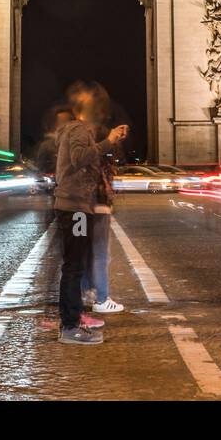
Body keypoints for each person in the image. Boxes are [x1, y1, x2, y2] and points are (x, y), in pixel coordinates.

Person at [53, 81, 127, 345]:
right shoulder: (78, 128)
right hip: (75, 210)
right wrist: (107, 141)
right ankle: (70, 326)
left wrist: (109, 142)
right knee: (74, 267)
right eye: (98, 106)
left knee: (77, 265)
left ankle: (73, 320)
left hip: (77, 208)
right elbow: (79, 157)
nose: (102, 111)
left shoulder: (75, 129)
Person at [82, 122, 125, 315]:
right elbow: (114, 161)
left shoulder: (79, 153)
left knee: (83, 253)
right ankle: (101, 298)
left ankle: (85, 293)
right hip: (98, 209)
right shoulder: (99, 156)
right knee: (100, 255)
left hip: (79, 210)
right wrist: (111, 141)